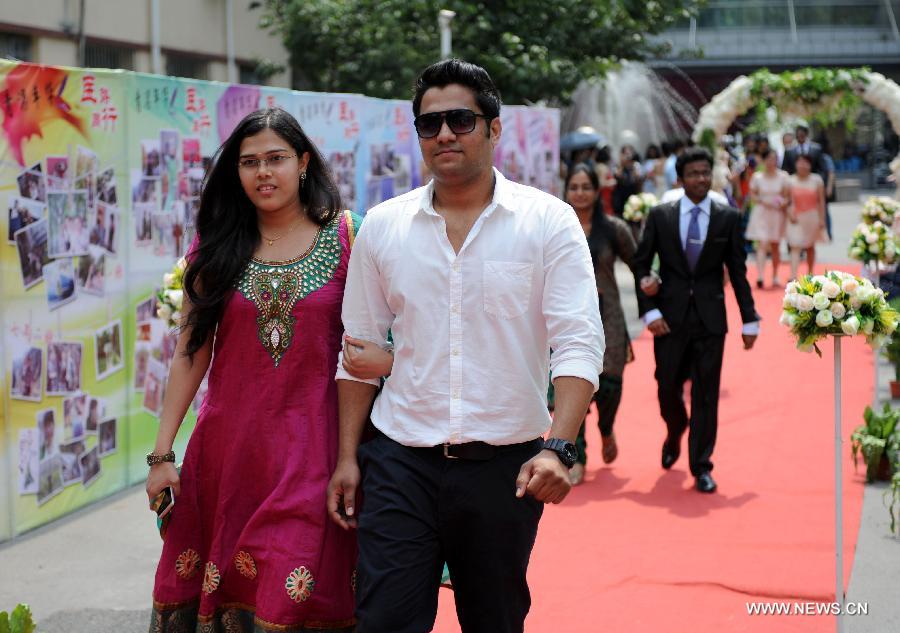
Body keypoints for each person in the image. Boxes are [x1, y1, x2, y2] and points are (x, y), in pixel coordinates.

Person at [327, 59, 604, 633]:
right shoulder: (383, 226)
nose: (445, 134)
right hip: (399, 458)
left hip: (506, 466)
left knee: (495, 619)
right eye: (430, 124)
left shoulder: (547, 222)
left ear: (494, 128)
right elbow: (356, 353)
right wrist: (349, 457)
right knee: (383, 621)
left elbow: (577, 341)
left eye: (461, 119)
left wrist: (561, 447)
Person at [145, 108, 393, 632]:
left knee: (295, 590)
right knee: (237, 594)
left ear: (303, 162)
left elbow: (394, 333)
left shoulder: (353, 237)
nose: (263, 172)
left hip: (321, 452)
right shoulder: (216, 248)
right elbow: (191, 349)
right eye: (249, 162)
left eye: (276, 158)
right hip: (231, 456)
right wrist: (163, 454)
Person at [633, 147, 759, 493]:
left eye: (706, 173)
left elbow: (737, 270)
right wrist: (651, 310)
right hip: (668, 319)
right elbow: (641, 264)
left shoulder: (726, 217)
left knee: (707, 394)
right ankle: (675, 432)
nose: (701, 179)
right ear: (680, 178)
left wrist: (750, 319)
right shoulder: (660, 215)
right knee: (666, 386)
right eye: (694, 174)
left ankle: (701, 465)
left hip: (710, 320)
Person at [564, 163, 637, 485]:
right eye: (574, 187)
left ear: (597, 191)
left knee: (610, 386)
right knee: (572, 381)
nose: (580, 193)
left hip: (609, 318)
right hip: (568, 316)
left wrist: (654, 306)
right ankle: (576, 455)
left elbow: (641, 265)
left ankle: (606, 428)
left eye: (585, 187)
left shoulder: (615, 230)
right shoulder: (557, 227)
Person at [747, 148, 790, 288]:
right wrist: (762, 201)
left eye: (774, 159)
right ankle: (760, 275)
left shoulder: (783, 176)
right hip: (762, 212)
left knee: (775, 245)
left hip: (777, 214)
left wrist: (782, 203)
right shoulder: (757, 177)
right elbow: (752, 194)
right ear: (764, 160)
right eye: (769, 159)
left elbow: (787, 196)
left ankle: (776, 275)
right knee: (762, 244)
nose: (771, 162)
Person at [786, 153, 827, 280]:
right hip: (795, 217)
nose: (802, 165)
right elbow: (787, 200)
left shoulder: (817, 180)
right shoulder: (790, 180)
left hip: (812, 217)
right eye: (800, 162)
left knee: (810, 247)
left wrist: (822, 219)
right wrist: (790, 213)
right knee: (795, 245)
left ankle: (810, 273)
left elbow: (821, 201)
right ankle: (793, 276)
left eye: (806, 162)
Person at [612, 144, 643, 216]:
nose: (628, 156)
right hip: (620, 197)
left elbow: (638, 178)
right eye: (626, 154)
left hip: (633, 195)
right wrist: (622, 164)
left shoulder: (635, 165)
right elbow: (618, 176)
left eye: (630, 154)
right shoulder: (618, 165)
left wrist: (633, 166)